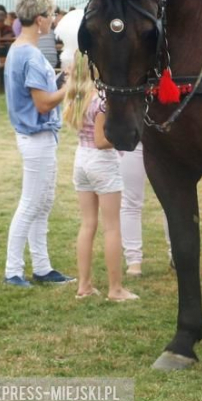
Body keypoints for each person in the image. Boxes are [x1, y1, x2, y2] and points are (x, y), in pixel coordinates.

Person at [2, 0, 74, 287]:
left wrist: (61, 81)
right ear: (41, 19)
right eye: (52, 14)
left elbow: (39, 95)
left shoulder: (18, 49)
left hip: (35, 134)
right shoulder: (30, 54)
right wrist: (70, 89)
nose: (54, 19)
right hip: (37, 135)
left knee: (41, 203)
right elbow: (43, 102)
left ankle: (41, 267)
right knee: (32, 203)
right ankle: (13, 269)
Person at [63, 50, 138, 301]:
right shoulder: (101, 100)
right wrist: (124, 139)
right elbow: (101, 141)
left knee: (87, 224)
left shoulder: (76, 97)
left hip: (81, 159)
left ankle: (84, 285)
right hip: (102, 162)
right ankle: (115, 288)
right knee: (111, 227)